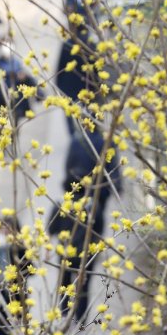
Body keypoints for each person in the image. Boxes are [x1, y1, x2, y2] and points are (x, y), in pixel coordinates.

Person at [51, 124, 122, 321]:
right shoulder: (105, 142)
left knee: (64, 280)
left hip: (66, 252)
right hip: (87, 252)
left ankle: (65, 312)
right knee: (84, 283)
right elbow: (113, 167)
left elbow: (51, 228)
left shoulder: (62, 206)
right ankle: (81, 317)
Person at [54, 0, 98, 136]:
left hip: (70, 90)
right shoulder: (91, 45)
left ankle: (75, 138)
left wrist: (59, 90)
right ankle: (91, 137)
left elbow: (59, 69)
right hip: (87, 90)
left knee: (72, 122)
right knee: (90, 121)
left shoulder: (68, 44)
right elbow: (97, 70)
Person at [0, 44, 43, 125]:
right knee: (2, 121)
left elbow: (26, 76)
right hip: (2, 95)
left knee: (15, 119)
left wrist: (21, 76)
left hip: (15, 95)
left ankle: (14, 134)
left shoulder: (15, 61)